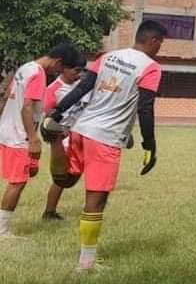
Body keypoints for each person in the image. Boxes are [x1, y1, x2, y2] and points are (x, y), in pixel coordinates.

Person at [41, 21, 166, 272]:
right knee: (96, 201)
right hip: (106, 138)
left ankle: (56, 141)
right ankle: (86, 264)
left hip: (81, 128)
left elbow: (85, 86)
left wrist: (57, 111)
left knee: (65, 180)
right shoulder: (151, 67)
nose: (160, 48)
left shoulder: (108, 56)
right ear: (153, 41)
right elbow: (145, 107)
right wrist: (149, 145)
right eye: (160, 43)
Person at [0, 43, 81, 238]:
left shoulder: (25, 68)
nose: (59, 72)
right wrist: (34, 139)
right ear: (58, 62)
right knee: (17, 182)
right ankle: (2, 230)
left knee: (18, 179)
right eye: (61, 69)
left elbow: (6, 97)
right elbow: (27, 108)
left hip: (6, 131)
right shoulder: (38, 74)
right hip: (19, 136)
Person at [41, 60, 94, 221]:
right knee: (61, 179)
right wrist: (60, 132)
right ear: (63, 69)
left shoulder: (83, 87)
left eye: (81, 71)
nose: (79, 75)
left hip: (83, 135)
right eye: (75, 70)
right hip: (63, 141)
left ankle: (93, 206)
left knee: (91, 171)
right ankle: (49, 211)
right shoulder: (53, 90)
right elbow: (48, 119)